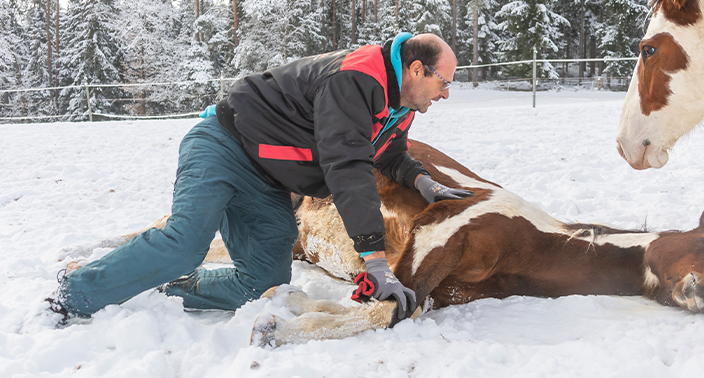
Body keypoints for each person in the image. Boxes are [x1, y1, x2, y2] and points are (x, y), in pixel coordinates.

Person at [47, 32, 472, 324]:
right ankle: (73, 293)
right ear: (416, 69)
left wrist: (424, 183)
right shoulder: (357, 78)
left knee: (264, 281)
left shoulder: (397, 103)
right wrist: (375, 263)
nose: (446, 93)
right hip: (223, 145)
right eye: (444, 82)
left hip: (265, 178)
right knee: (186, 242)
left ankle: (164, 287)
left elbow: (390, 153)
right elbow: (346, 166)